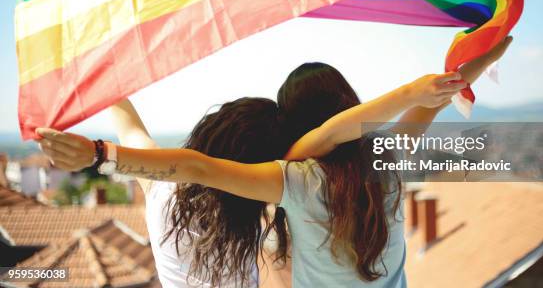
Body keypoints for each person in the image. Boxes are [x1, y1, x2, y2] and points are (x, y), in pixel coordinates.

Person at [37, 36, 512, 287]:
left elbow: (192, 166)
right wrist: (474, 61)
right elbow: (431, 105)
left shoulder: (293, 183)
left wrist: (100, 153)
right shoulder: (384, 165)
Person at [108, 97, 288, 288]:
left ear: (211, 131)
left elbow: (131, 132)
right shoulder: (260, 210)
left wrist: (104, 77)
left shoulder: (162, 191)